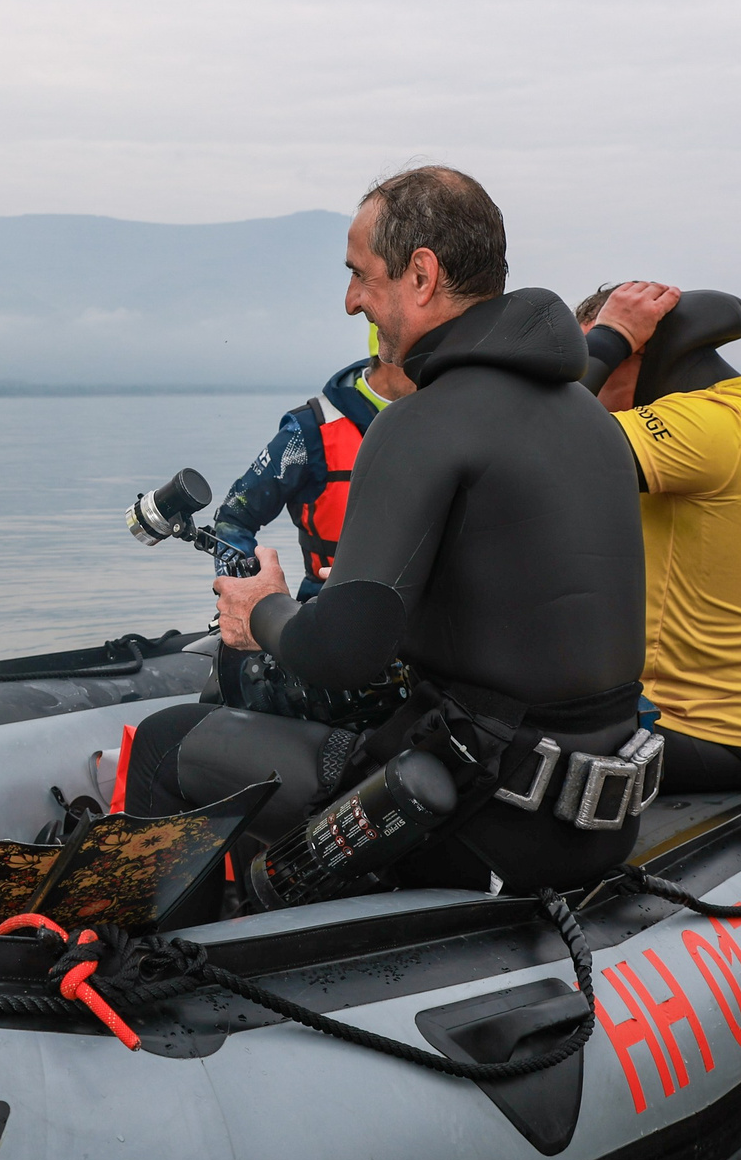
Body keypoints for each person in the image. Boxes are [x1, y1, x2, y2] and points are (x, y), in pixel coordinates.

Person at [124, 167, 649, 900]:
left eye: (361, 275)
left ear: (422, 274)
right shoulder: (589, 418)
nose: (351, 302)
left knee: (162, 742)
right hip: (593, 822)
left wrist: (263, 612)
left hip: (473, 819)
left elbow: (340, 652)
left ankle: (141, 975)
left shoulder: (421, 423)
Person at [577, 280, 741, 793]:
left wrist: (609, 337)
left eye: (592, 365)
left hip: (689, 731)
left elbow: (537, 441)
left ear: (637, 350)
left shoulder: (705, 426)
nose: (586, 387)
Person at [210, 328, 413, 599]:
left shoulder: (451, 414)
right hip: (327, 612)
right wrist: (250, 599)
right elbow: (234, 518)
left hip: (429, 617)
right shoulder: (307, 431)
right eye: (421, 358)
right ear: (387, 355)